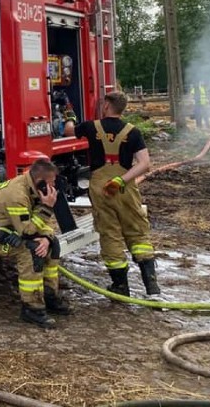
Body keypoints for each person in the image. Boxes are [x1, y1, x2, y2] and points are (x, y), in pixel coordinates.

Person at [66, 90, 159, 296]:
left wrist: (70, 116)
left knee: (110, 233)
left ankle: (120, 286)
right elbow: (144, 164)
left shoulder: (91, 127)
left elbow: (68, 131)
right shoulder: (133, 131)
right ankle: (152, 285)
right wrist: (121, 180)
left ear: (107, 106)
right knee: (137, 231)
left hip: (100, 188)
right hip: (125, 188)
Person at [0, 158, 69, 328]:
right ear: (40, 182)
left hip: (8, 229)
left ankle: (50, 295)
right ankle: (32, 308)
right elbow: (27, 230)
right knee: (30, 251)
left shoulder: (35, 189)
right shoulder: (17, 194)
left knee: (53, 244)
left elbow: (46, 224)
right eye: (51, 183)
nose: (53, 187)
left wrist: (47, 238)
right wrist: (47, 208)